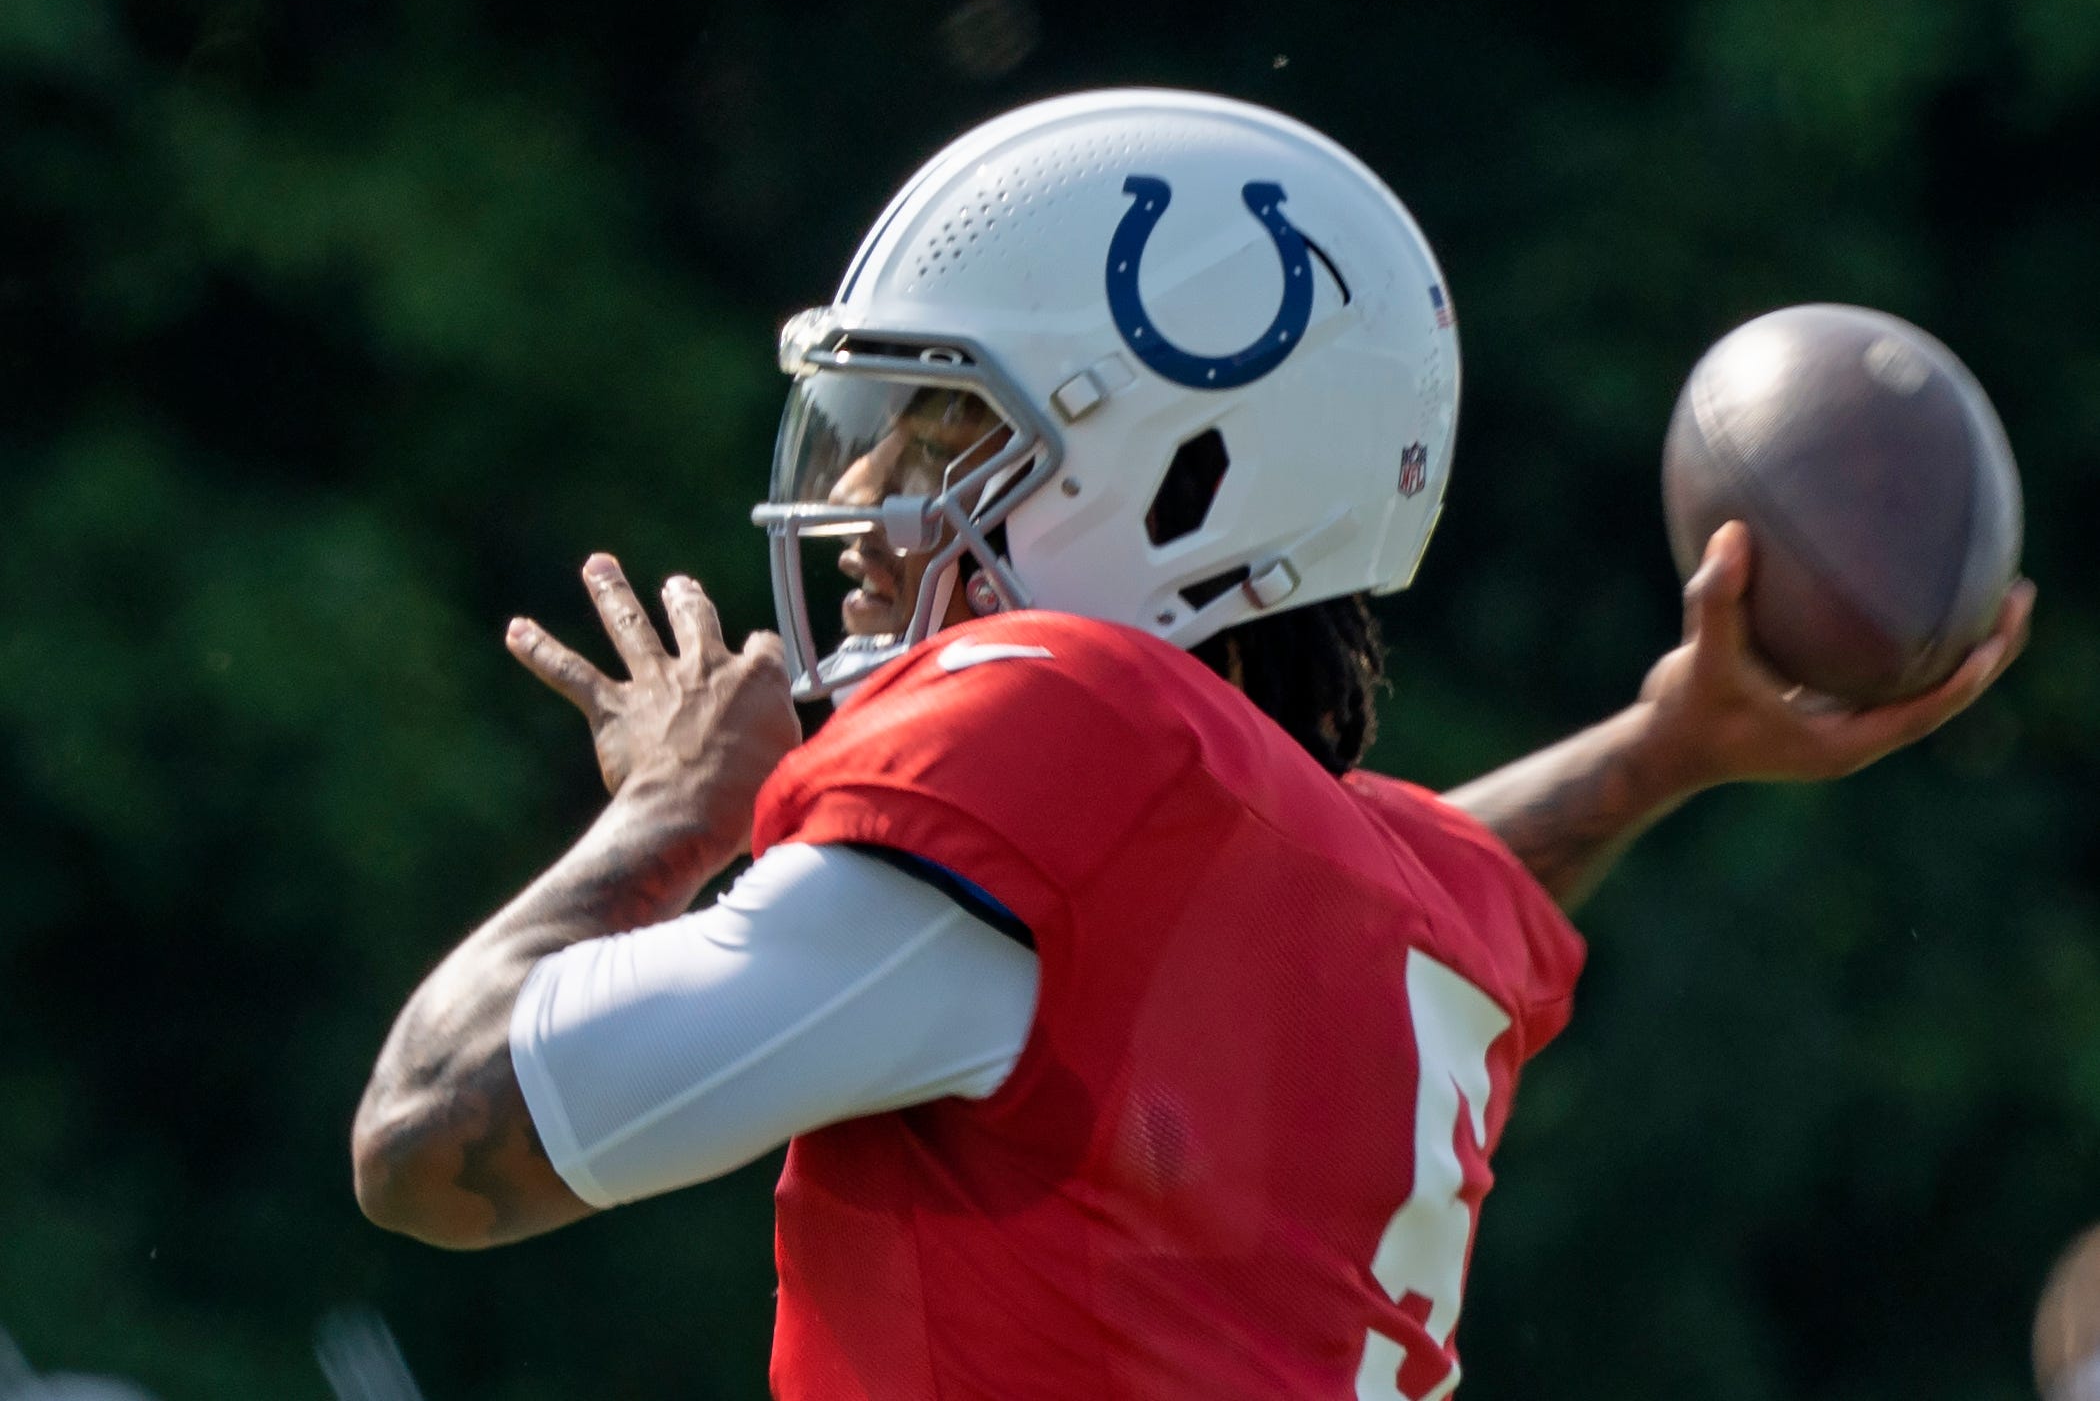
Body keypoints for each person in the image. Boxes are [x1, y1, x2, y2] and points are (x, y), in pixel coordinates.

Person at [350, 90, 2032, 1400]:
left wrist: (660, 815)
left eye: (948, 424)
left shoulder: (1057, 754)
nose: (866, 505)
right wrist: (1664, 750)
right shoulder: (1308, 890)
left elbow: (434, 1144)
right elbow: (1412, 869)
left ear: (1190, 477)